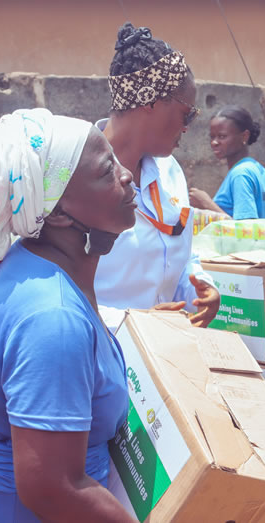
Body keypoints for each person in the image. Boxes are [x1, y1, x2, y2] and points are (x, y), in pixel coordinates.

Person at [0, 108, 136, 522]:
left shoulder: (29, 264)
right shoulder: (51, 317)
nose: (126, 175)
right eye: (106, 170)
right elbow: (55, 487)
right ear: (56, 212)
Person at [94, 23, 221, 327]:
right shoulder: (77, 178)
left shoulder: (170, 171)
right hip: (104, 360)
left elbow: (177, 248)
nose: (188, 127)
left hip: (165, 351)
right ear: (151, 101)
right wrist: (133, 322)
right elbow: (58, 291)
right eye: (186, 113)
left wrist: (201, 286)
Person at [188, 105, 265, 219]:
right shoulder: (260, 170)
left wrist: (206, 204)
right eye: (212, 136)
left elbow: (246, 230)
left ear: (244, 136)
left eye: (222, 136)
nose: (214, 142)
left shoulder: (240, 174)